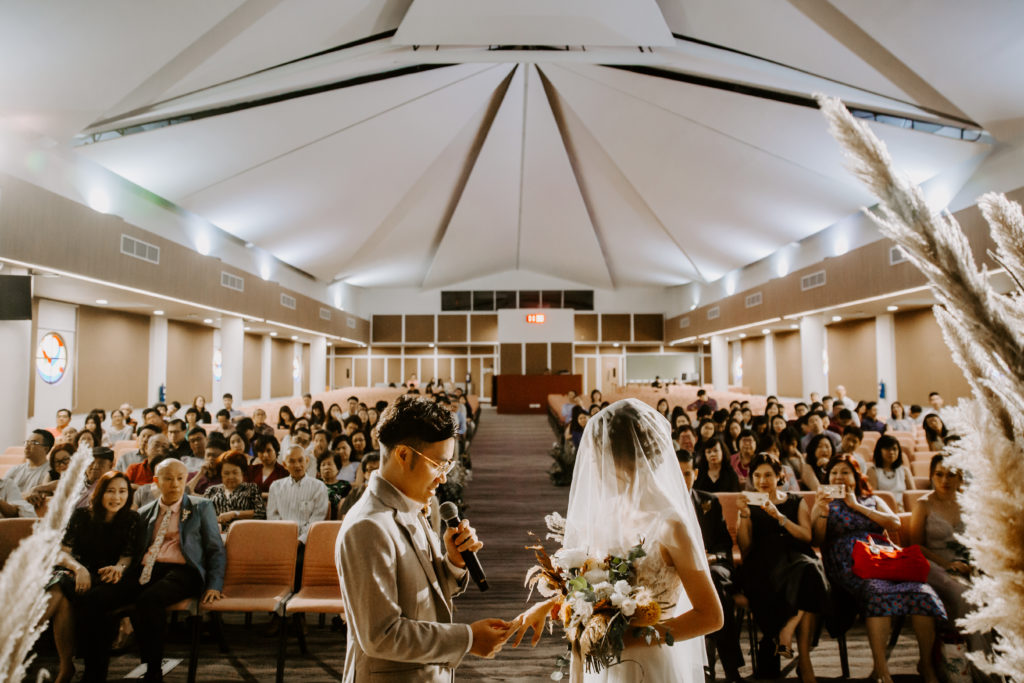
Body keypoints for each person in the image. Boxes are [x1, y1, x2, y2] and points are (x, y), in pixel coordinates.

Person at [512, 398, 723, 682]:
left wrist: (628, 637)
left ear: (617, 458)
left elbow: (711, 616)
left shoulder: (670, 525)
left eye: (598, 456)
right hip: (601, 659)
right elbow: (591, 579)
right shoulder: (608, 512)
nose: (593, 466)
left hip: (648, 662)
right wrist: (554, 606)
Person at [336, 395, 516, 680]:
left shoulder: (413, 503)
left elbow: (422, 594)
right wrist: (467, 639)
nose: (443, 478)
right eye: (438, 464)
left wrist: (453, 564)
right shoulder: (367, 526)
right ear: (403, 455)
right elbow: (380, 635)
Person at [812, 455, 945, 683]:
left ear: (855, 476)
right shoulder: (824, 502)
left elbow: (893, 523)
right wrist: (822, 510)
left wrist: (856, 506)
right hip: (848, 565)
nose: (838, 477)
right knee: (878, 594)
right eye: (834, 473)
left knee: (923, 594)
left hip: (884, 559)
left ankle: (926, 665)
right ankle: (882, 671)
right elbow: (817, 538)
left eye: (845, 472)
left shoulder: (871, 499)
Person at [131, 459, 225, 682]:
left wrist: (214, 584)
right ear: (156, 481)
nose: (175, 484)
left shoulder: (200, 507)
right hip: (150, 567)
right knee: (111, 597)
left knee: (149, 601)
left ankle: (153, 671)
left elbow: (216, 549)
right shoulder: (144, 512)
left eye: (180, 478)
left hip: (185, 570)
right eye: (168, 478)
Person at [41, 471, 141, 682]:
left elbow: (127, 556)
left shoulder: (132, 519)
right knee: (59, 587)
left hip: (110, 576)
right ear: (100, 493)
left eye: (122, 492)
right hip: (79, 571)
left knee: (69, 598)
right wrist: (79, 569)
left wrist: (118, 568)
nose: (117, 497)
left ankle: (18, 642)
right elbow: (62, 552)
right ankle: (65, 665)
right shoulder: (81, 515)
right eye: (110, 491)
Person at [737, 454, 827, 683]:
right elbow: (745, 548)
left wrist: (780, 518)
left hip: (795, 556)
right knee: (802, 580)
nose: (762, 480)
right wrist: (744, 517)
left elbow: (807, 536)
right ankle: (800, 656)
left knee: (810, 571)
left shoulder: (795, 500)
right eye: (757, 475)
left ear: (780, 477)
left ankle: (789, 635)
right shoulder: (750, 503)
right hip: (764, 561)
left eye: (768, 474)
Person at [909, 454, 992, 662]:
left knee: (993, 593)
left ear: (961, 477)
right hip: (936, 565)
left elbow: (980, 541)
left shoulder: (970, 504)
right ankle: (978, 666)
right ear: (931, 476)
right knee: (967, 596)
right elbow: (915, 546)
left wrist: (973, 564)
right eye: (939, 474)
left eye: (951, 474)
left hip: (967, 564)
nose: (945, 480)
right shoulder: (923, 505)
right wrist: (947, 564)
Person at [678, 450, 744, 683]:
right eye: (677, 473)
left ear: (695, 473)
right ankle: (729, 667)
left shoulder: (709, 501)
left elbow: (725, 545)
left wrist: (711, 558)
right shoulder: (663, 506)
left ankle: (709, 664)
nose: (682, 478)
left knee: (715, 580)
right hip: (681, 571)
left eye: (687, 473)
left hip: (714, 565)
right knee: (713, 588)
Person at [268, 446, 329, 546]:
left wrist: (300, 540)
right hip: (280, 540)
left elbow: (317, 519)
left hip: (308, 542)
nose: (297, 465)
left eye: (301, 460)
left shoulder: (319, 487)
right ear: (284, 465)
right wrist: (283, 537)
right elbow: (272, 516)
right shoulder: (276, 487)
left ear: (307, 461)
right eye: (291, 461)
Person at [204, 450, 266, 530]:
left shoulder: (251, 488)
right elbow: (202, 514)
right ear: (221, 474)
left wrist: (235, 514)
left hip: (243, 534)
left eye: (235, 472)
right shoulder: (211, 490)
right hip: (215, 534)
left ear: (242, 473)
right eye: (226, 473)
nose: (231, 477)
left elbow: (261, 513)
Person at [866, 435, 914, 508]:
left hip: (903, 508)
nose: (891, 452)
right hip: (882, 509)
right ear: (879, 451)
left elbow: (912, 495)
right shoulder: (872, 471)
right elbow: (872, 497)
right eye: (887, 449)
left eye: (894, 449)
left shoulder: (904, 471)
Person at [339, 453, 381, 519]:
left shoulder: (389, 491)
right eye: (371, 470)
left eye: (378, 469)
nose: (375, 473)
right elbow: (345, 516)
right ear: (364, 474)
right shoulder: (356, 492)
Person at [249, 433, 288, 498]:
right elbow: (245, 493)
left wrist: (258, 495)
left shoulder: (284, 472)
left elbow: (284, 495)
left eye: (269, 451)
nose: (265, 455)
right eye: (261, 451)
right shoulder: (251, 470)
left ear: (275, 450)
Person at [317, 452, 352, 519]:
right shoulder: (316, 484)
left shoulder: (345, 485)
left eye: (329, 464)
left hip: (339, 517)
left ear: (337, 468)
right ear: (319, 469)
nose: (326, 467)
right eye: (323, 465)